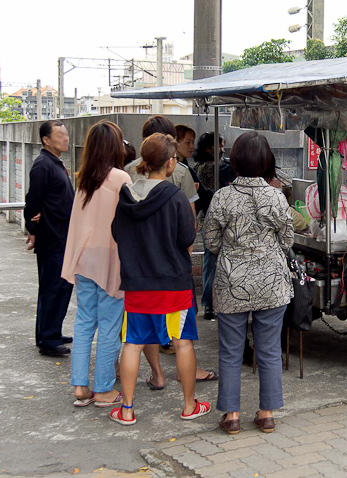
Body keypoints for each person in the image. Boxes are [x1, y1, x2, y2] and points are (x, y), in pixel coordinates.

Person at [111, 133, 211, 425]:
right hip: (172, 283)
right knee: (183, 343)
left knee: (132, 343)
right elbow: (186, 237)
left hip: (137, 283)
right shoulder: (176, 196)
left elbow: (117, 234)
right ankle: (189, 405)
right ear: (169, 163)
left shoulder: (126, 195)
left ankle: (127, 409)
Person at [202, 131, 294, 435]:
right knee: (268, 349)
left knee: (230, 351)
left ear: (236, 160)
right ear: (267, 161)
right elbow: (288, 239)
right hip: (271, 284)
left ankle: (231, 416)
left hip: (232, 283)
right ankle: (267, 413)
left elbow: (212, 242)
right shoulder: (276, 196)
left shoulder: (222, 196)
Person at [61, 120, 131, 408]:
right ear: (115, 147)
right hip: (110, 258)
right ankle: (103, 389)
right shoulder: (120, 178)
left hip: (83, 257)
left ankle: (80, 386)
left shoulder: (82, 179)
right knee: (110, 324)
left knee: (84, 321)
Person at [24, 120, 75, 357]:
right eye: (60, 135)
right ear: (46, 139)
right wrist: (31, 227)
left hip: (62, 236)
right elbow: (32, 200)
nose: (65, 138)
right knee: (52, 287)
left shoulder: (55, 163)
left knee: (61, 287)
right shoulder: (43, 165)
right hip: (52, 237)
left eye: (66, 134)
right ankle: (48, 338)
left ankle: (51, 331)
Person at [192, 132, 226, 322]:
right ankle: (210, 303)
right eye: (220, 146)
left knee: (209, 261)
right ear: (209, 148)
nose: (222, 150)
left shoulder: (196, 166)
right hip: (215, 220)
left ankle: (209, 303)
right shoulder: (212, 167)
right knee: (212, 262)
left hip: (206, 220)